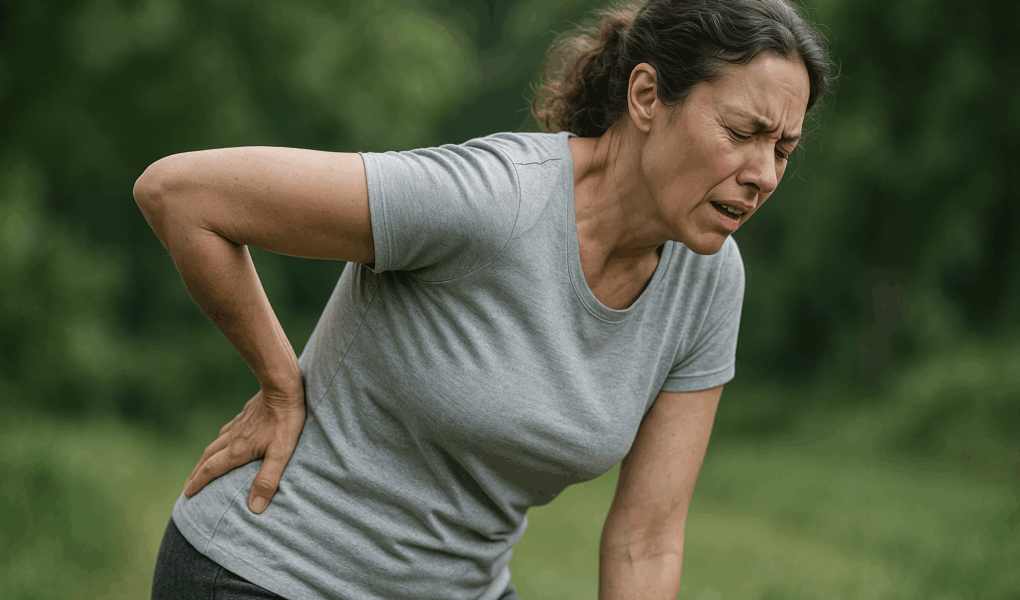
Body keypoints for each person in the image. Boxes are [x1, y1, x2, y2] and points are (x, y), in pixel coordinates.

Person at [137, 0, 833, 598]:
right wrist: (280, 383)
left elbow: (645, 540)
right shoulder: (494, 201)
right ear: (646, 97)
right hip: (269, 571)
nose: (763, 174)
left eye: (784, 149)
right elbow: (183, 195)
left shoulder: (708, 282)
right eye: (743, 133)